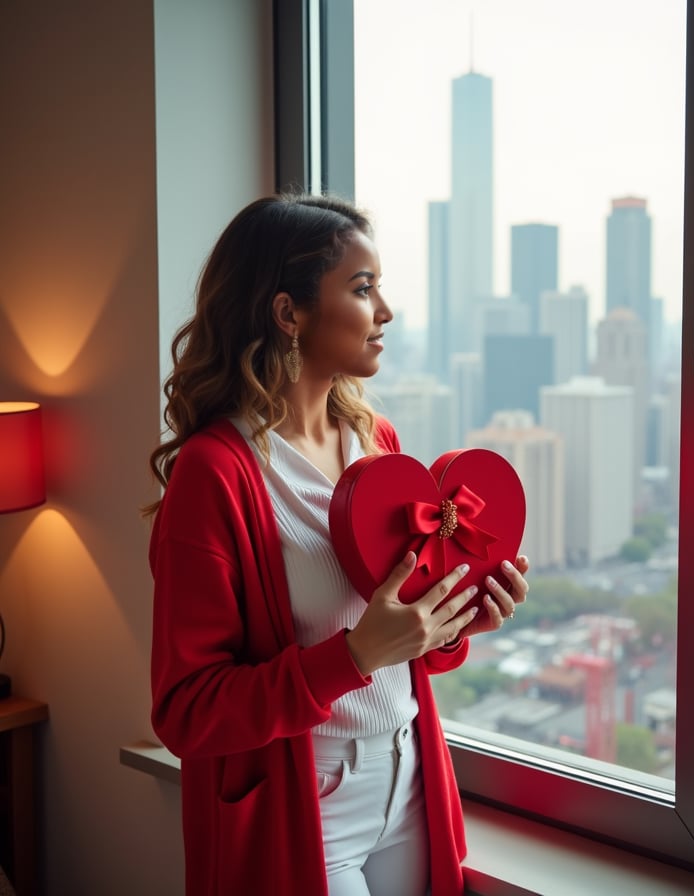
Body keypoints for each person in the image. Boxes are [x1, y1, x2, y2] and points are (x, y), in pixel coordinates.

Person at [145, 192, 529, 896]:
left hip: (411, 776)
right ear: (287, 313)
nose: (385, 310)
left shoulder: (378, 448)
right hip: (308, 800)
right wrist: (351, 658)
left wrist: (458, 619)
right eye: (362, 288)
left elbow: (399, 643)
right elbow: (186, 711)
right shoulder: (217, 474)